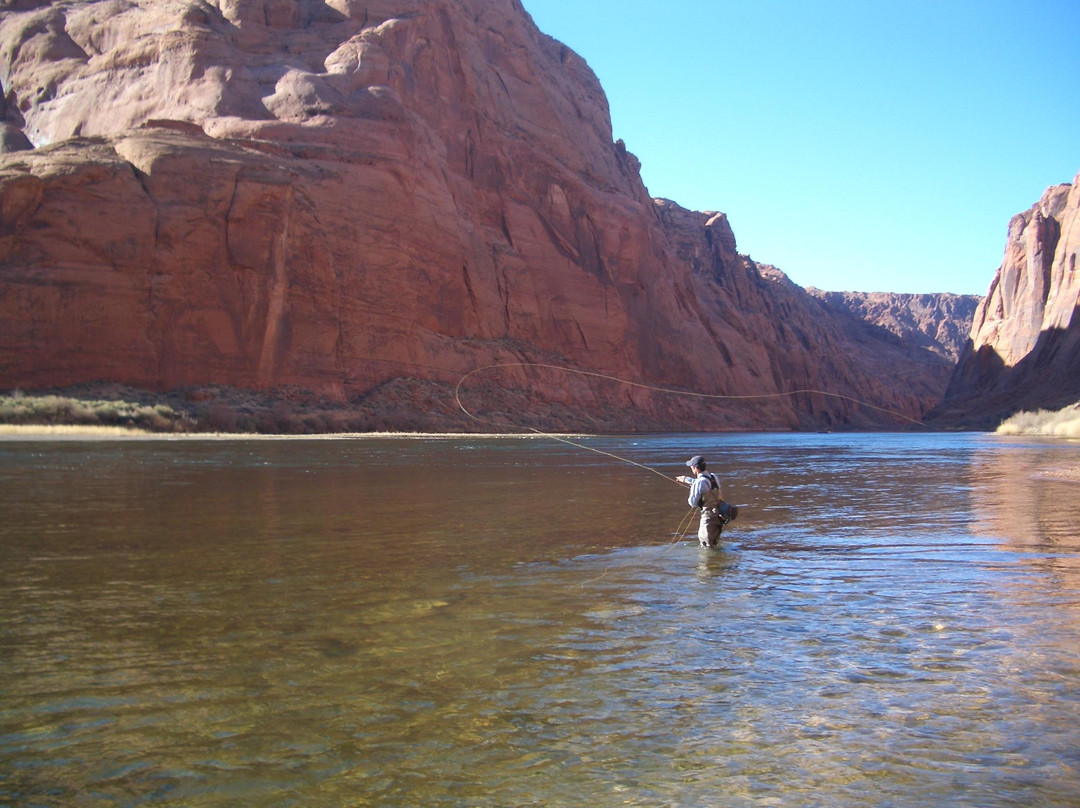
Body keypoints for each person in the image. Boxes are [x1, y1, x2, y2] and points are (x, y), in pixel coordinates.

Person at [676, 455, 738, 548]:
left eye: (691, 467)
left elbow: (692, 503)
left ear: (695, 469)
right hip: (719, 516)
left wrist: (692, 489)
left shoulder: (699, 482)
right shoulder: (713, 477)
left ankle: (711, 562)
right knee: (714, 543)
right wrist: (686, 479)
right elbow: (704, 485)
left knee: (706, 546)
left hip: (708, 518)